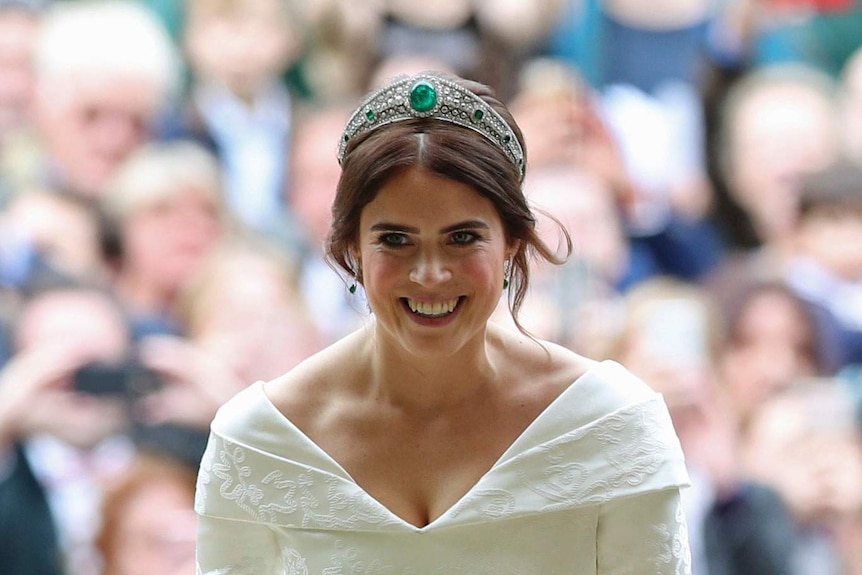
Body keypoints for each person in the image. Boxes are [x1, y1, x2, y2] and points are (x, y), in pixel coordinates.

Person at [195, 71, 691, 573]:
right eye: (395, 240)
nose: (430, 273)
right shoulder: (259, 440)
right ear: (352, 248)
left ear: (512, 242)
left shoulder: (613, 423)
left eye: (461, 239)